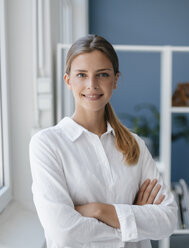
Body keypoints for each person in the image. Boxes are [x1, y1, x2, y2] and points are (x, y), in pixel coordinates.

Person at [29, 34, 178, 248]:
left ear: (115, 80)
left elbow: (169, 220)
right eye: (81, 75)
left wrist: (98, 210)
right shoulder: (47, 144)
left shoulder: (135, 144)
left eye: (102, 75)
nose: (92, 85)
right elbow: (63, 231)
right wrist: (134, 220)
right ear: (68, 81)